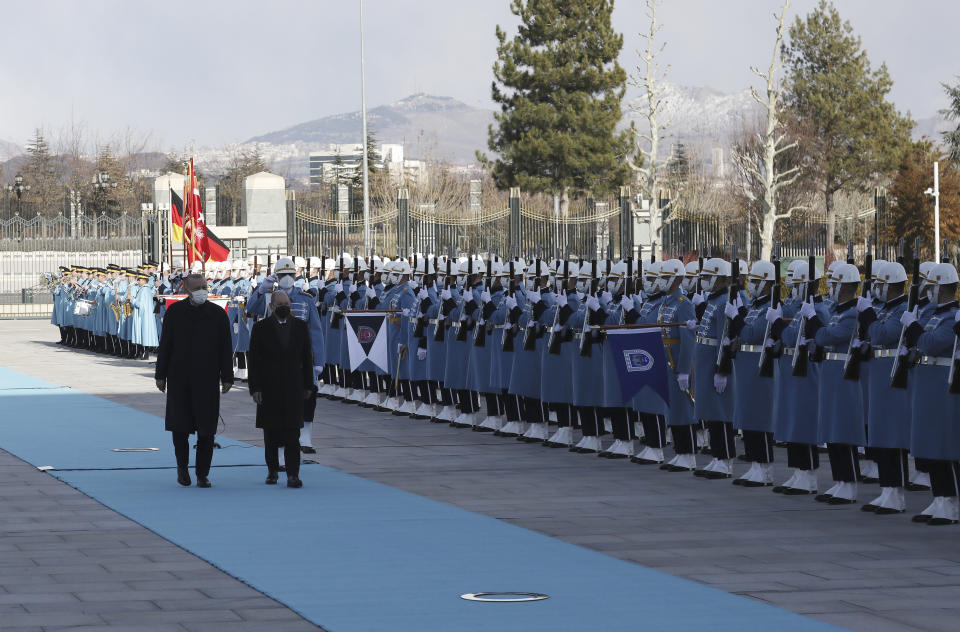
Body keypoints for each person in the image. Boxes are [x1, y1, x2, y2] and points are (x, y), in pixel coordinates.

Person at [155, 273, 234, 488]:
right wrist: (160, 375)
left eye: (204, 286)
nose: (202, 291)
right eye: (197, 287)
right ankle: (182, 467)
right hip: (180, 378)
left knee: (206, 430)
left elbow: (226, 347)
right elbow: (166, 346)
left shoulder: (217, 314)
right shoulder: (175, 313)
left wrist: (227, 376)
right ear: (187, 290)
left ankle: (202, 474)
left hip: (207, 380)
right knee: (179, 427)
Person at [248, 290, 315, 488]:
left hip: (293, 387)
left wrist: (308, 385)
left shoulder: (300, 327)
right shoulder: (261, 328)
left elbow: (306, 358)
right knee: (271, 433)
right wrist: (255, 388)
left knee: (293, 434)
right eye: (280, 304)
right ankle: (272, 471)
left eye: (287, 303)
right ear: (272, 306)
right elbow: (254, 360)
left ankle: (293, 474)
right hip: (269, 388)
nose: (284, 307)